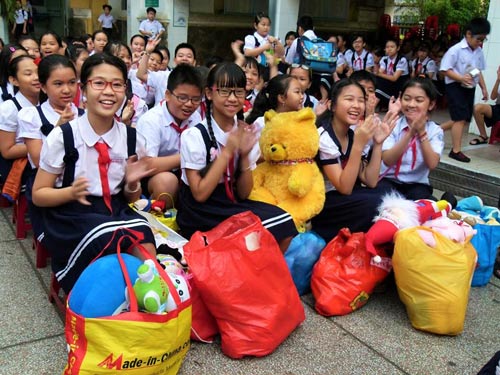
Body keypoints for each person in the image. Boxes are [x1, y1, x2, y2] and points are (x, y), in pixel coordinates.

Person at [31, 53, 156, 293]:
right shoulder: (64, 136)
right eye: (99, 83)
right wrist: (71, 191)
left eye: (117, 84)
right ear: (84, 89)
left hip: (114, 209)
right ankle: (103, 301)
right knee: (106, 236)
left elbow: (130, 198)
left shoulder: (132, 138)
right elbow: (38, 194)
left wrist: (132, 184)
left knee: (143, 234)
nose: (109, 91)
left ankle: (150, 296)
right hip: (71, 214)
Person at [177, 62, 297, 252]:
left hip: (230, 200)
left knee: (284, 222)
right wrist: (227, 152)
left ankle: (260, 273)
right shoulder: (194, 135)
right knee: (254, 231)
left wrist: (244, 157)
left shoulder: (243, 131)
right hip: (200, 210)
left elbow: (244, 193)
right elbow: (199, 194)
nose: (232, 98)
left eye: (238, 92)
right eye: (224, 91)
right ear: (209, 93)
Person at [310, 79, 397, 243]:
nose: (357, 105)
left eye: (361, 100)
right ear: (332, 105)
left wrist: (378, 143)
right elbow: (344, 188)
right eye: (349, 99)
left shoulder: (351, 133)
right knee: (375, 203)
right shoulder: (323, 137)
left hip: (346, 198)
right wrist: (358, 144)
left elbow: (370, 181)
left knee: (389, 191)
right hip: (325, 204)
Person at [136, 64, 202, 202]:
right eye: (182, 98)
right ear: (167, 95)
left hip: (186, 173)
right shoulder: (151, 120)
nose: (189, 104)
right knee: (167, 182)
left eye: (195, 99)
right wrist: (186, 156)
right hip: (154, 177)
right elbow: (146, 165)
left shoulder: (195, 117)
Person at [378, 77, 443, 200]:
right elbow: (387, 160)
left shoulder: (435, 131)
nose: (411, 104)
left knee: (420, 205)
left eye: (419, 100)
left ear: (431, 104)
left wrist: (422, 133)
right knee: (382, 203)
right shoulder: (393, 124)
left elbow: (432, 163)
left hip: (417, 184)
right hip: (388, 180)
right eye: (407, 99)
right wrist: (410, 134)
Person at [439, 17, 490, 163]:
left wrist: (484, 88)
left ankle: (435, 130)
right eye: (479, 39)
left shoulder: (478, 52)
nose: (480, 42)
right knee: (460, 118)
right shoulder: (455, 50)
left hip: (469, 87)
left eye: (483, 40)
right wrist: (460, 78)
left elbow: (478, 71)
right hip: (455, 86)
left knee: (463, 118)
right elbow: (444, 69)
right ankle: (456, 151)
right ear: (468, 34)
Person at [0, 55, 40, 186]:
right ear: (14, 80)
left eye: (39, 72)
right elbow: (7, 150)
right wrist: (43, 145)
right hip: (24, 175)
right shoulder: (9, 108)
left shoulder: (45, 103)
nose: (36, 77)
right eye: (28, 74)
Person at [136, 37, 197, 105]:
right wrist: (147, 52)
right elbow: (141, 75)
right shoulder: (163, 76)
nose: (184, 58)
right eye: (181, 56)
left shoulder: (198, 81)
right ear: (175, 60)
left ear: (194, 62)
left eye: (189, 56)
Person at [103, 41, 149, 127]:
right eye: (121, 57)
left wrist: (127, 123)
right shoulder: (95, 89)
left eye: (128, 57)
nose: (127, 61)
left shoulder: (137, 95)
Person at [376, 38, 410, 111]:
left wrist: (378, 74)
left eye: (392, 47)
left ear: (398, 48)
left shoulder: (402, 59)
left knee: (380, 83)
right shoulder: (384, 59)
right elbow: (380, 72)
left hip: (400, 83)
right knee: (376, 81)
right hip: (389, 82)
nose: (389, 49)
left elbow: (395, 78)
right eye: (387, 47)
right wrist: (378, 72)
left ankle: (373, 106)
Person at [471, 65, 500, 145]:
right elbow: (493, 97)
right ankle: (483, 136)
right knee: (477, 108)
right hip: (498, 107)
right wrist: (498, 80)